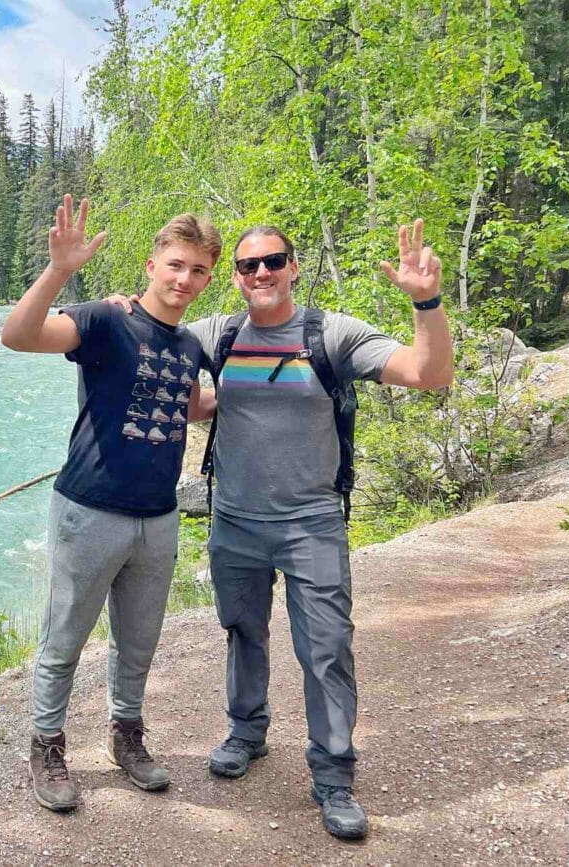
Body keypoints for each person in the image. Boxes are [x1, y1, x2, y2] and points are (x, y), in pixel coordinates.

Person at [109, 219, 453, 839]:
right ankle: (247, 733)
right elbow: (151, 332)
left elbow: (429, 373)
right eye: (248, 266)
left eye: (274, 261)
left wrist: (425, 302)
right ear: (235, 277)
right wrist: (120, 307)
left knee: (326, 649)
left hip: (311, 523)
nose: (261, 273)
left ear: (293, 267)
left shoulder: (333, 334)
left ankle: (333, 773)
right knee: (242, 632)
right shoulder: (219, 333)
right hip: (235, 519)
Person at [0, 194, 218, 811]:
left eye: (198, 270)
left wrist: (251, 395)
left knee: (140, 640)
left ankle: (127, 737)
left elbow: (189, 404)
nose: (184, 279)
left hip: (159, 515)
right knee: (64, 637)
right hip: (89, 510)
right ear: (152, 265)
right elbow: (17, 337)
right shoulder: (103, 320)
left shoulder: (191, 348)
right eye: (175, 264)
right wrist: (59, 271)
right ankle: (46, 746)